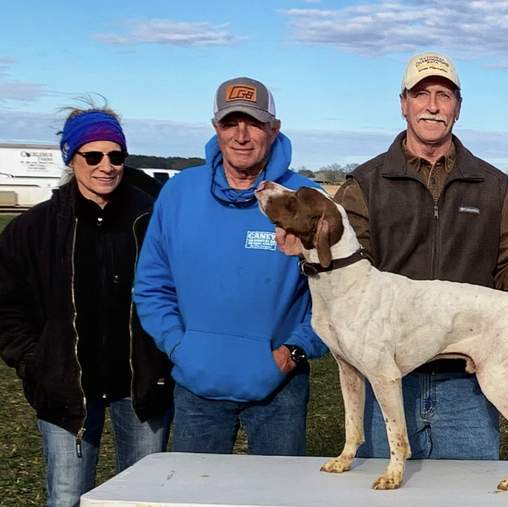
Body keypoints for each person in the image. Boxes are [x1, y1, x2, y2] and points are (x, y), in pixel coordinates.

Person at [331, 52, 508, 459]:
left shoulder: (493, 185)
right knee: (387, 486)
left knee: (467, 489)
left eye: (444, 95)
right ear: (403, 104)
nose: (432, 106)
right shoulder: (363, 184)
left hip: (467, 387)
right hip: (389, 377)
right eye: (421, 94)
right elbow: (349, 278)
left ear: (458, 108)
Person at [134, 77, 328, 455]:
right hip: (197, 386)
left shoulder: (305, 199)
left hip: (279, 387)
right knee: (195, 486)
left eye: (254, 123)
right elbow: (152, 285)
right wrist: (180, 347)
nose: (241, 136)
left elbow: (332, 293)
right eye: (229, 123)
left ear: (274, 128)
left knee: (278, 488)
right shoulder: (179, 193)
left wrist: (293, 352)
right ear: (215, 128)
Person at [0, 105, 173, 506]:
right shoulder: (34, 227)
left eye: (116, 156)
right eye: (92, 156)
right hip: (66, 385)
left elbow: (179, 290)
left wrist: (167, 355)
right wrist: (34, 360)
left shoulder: (153, 219)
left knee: (143, 499)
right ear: (71, 157)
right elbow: (7, 303)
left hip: (143, 384)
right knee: (67, 498)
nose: (106, 166)